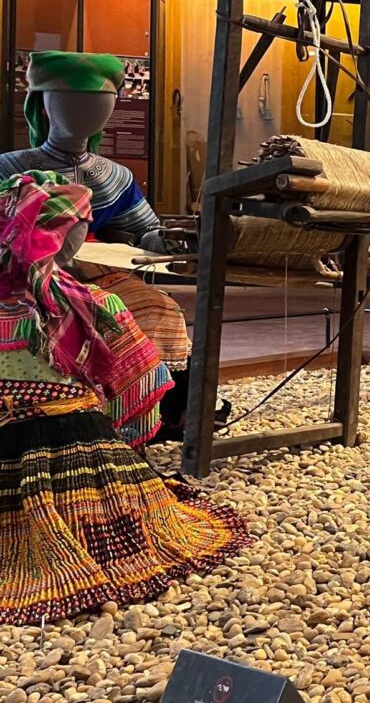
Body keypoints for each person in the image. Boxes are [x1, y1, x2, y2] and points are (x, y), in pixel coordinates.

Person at [0, 171, 249, 624]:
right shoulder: (91, 304)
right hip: (81, 449)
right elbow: (139, 382)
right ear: (65, 235)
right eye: (83, 225)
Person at [0, 51, 204, 438]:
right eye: (70, 104)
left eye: (97, 106)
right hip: (21, 279)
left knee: (161, 307)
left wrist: (167, 239)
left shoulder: (115, 177)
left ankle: (155, 413)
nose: (85, 114)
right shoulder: (9, 167)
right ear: (42, 107)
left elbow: (144, 230)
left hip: (101, 276)